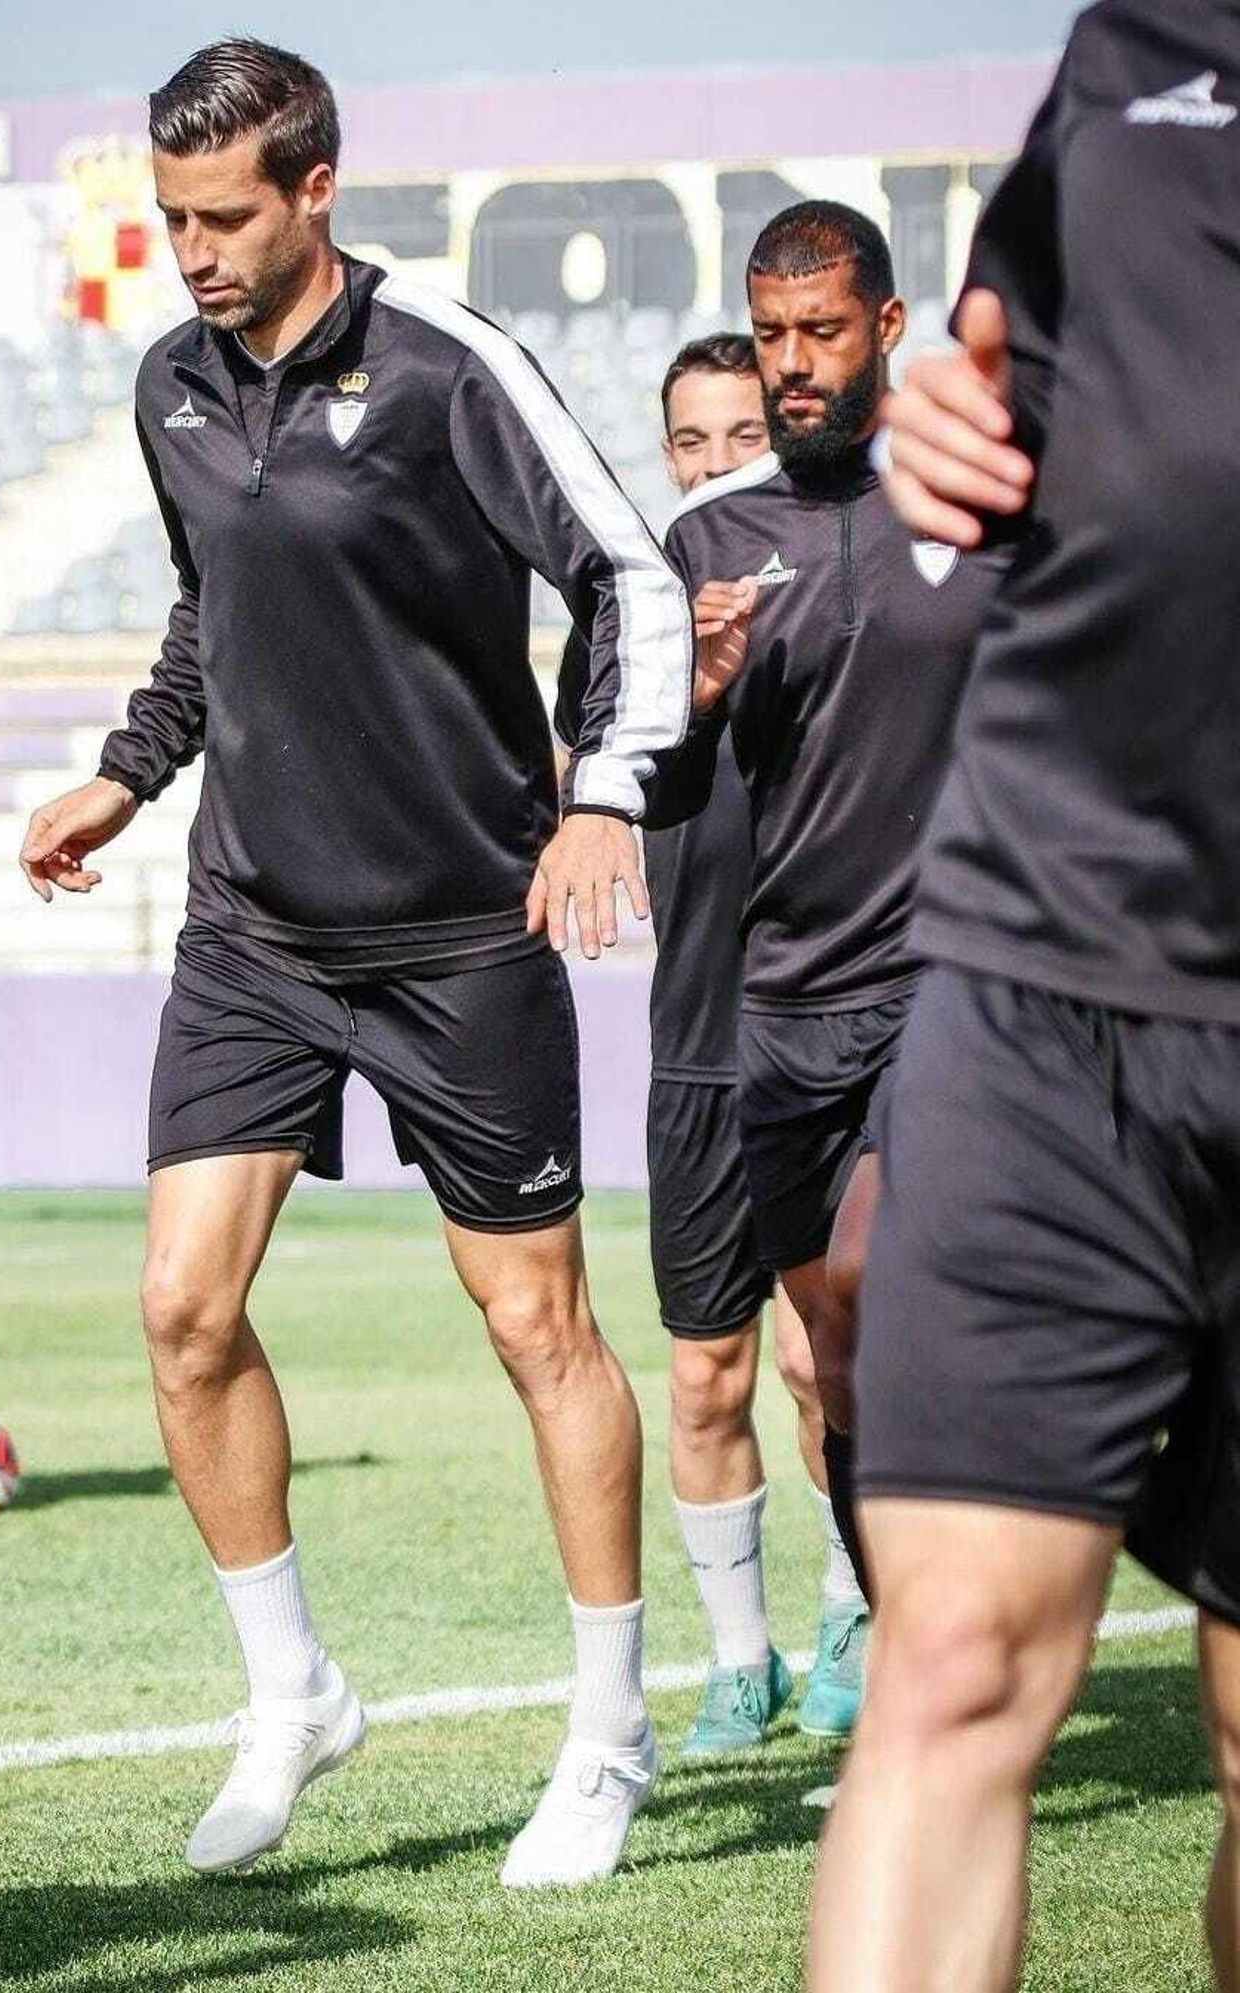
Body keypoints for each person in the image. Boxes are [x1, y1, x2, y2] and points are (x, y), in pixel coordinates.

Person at [19, 38, 694, 1889]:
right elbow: (208, 618)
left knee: (537, 1324)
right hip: (253, 928)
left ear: (318, 188)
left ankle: (611, 1728)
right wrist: (125, 773)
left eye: (224, 215)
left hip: (463, 929)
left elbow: (627, 575)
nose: (194, 252)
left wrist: (603, 797)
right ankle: (291, 1689)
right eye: (169, 219)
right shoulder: (169, 385)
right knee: (180, 1307)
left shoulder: (448, 367)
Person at [808, 7, 1240, 1987]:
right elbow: (1000, 392)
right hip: (1040, 942)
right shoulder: (1129, 41)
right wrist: (935, 430)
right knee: (954, 1656)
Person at [651, 202, 1009, 1636]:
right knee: (834, 1356)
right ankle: (908, 1627)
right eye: (773, 336)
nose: (793, 365)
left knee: (878, 1284)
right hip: (781, 1010)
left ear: (887, 330)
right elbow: (645, 770)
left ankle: (955, 1643)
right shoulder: (705, 541)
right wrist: (698, 692)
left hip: (953, 988)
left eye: (821, 333)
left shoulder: (976, 499)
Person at [558, 335, 853, 1754]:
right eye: (694, 437)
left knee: (823, 1362)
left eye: (747, 429)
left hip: (820, 1025)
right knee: (704, 1375)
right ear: (665, 452)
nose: (722, 456)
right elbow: (592, 763)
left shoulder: (835, 581)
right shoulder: (644, 603)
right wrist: (702, 676)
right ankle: (744, 1660)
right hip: (694, 1052)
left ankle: (858, 1611)